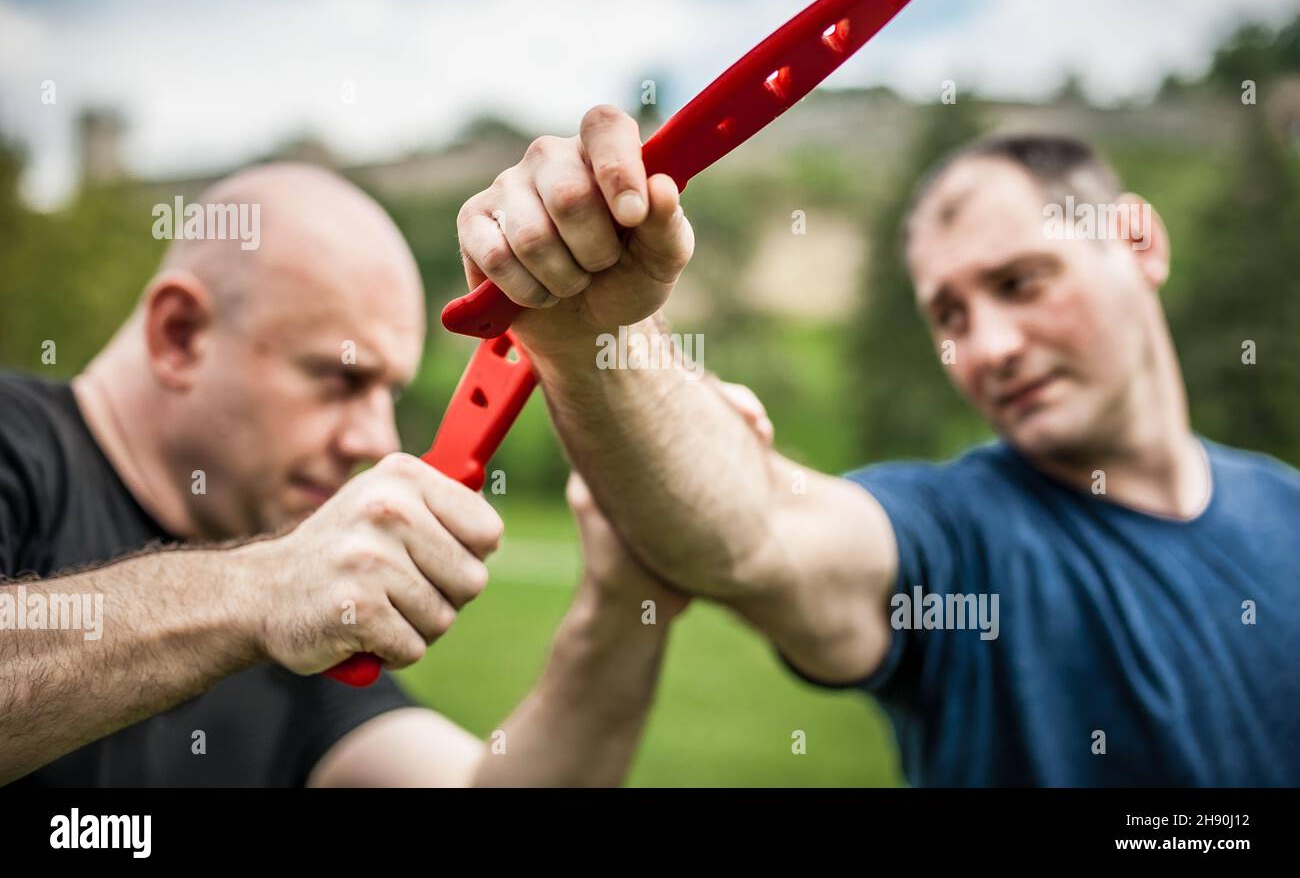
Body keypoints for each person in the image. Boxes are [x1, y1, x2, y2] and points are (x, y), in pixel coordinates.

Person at [455, 104, 1300, 786]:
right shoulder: (956, 537)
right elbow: (752, 533)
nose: (990, 347)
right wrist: (599, 337)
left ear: (1136, 241)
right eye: (950, 316)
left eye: (1020, 283)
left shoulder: (1288, 512)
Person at [0, 162, 691, 787]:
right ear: (180, 334)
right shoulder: (17, 440)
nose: (379, 441)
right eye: (340, 377)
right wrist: (261, 590)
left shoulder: (294, 593)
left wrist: (619, 607)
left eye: (388, 394)